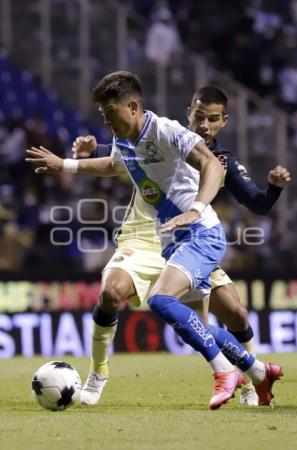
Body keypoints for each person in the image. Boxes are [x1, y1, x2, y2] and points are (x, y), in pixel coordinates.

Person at [26, 71, 283, 410]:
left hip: (196, 232)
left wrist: (196, 209)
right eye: (199, 115)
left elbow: (220, 173)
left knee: (213, 310)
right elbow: (117, 161)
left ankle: (236, 374)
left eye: (212, 118)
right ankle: (258, 373)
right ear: (189, 110)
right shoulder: (130, 137)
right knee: (186, 323)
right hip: (159, 238)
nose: (204, 124)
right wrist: (69, 163)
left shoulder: (177, 137)